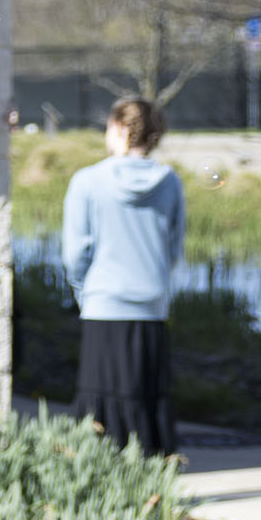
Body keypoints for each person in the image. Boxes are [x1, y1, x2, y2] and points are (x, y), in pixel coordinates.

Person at [64, 96, 186, 456]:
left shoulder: (87, 181)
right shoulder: (170, 182)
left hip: (103, 303)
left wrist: (85, 291)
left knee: (100, 399)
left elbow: (75, 254)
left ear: (118, 128)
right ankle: (151, 472)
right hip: (151, 304)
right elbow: (173, 248)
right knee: (147, 397)